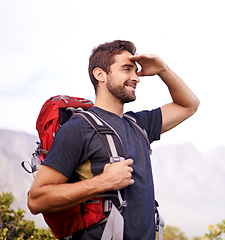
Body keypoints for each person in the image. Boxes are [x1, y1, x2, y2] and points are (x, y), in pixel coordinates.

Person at [27, 40, 200, 239]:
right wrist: (104, 182)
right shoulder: (78, 128)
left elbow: (189, 105)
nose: (135, 77)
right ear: (100, 74)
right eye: (127, 69)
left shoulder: (139, 124)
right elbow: (36, 200)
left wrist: (163, 69)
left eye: (136, 71)